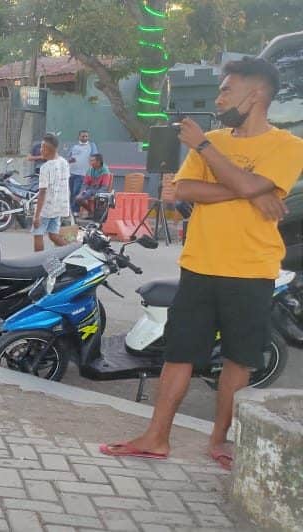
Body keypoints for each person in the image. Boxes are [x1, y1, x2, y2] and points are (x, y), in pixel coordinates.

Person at [101, 57, 303, 471]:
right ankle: (156, 438)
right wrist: (249, 189)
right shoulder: (213, 137)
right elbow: (182, 190)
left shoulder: (287, 146)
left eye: (228, 88)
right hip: (200, 264)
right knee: (179, 353)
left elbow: (238, 183)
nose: (220, 96)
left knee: (239, 359)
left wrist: (210, 154)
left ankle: (220, 442)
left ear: (256, 93)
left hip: (252, 269)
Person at [32, 134, 72, 252]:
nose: (40, 150)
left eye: (42, 147)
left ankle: (40, 263)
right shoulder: (64, 162)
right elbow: (65, 185)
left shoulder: (45, 168)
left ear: (48, 149)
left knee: (38, 234)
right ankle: (70, 253)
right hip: (59, 206)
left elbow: (42, 192)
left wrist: (37, 216)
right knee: (53, 235)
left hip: (46, 208)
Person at [65, 130, 99, 216]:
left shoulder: (91, 146)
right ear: (79, 137)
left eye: (86, 136)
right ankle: (71, 210)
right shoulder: (74, 147)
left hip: (82, 173)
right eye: (83, 136)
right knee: (72, 192)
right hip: (72, 172)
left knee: (77, 191)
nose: (84, 138)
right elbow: (69, 158)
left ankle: (75, 211)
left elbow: (95, 157)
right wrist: (70, 160)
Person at [75, 153, 112, 217]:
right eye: (90, 160)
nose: (90, 162)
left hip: (101, 190)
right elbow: (85, 183)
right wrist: (83, 191)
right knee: (78, 198)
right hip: (91, 189)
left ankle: (97, 215)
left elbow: (104, 187)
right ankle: (91, 212)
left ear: (98, 162)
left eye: (92, 160)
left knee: (98, 197)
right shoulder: (90, 169)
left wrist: (96, 194)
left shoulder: (105, 170)